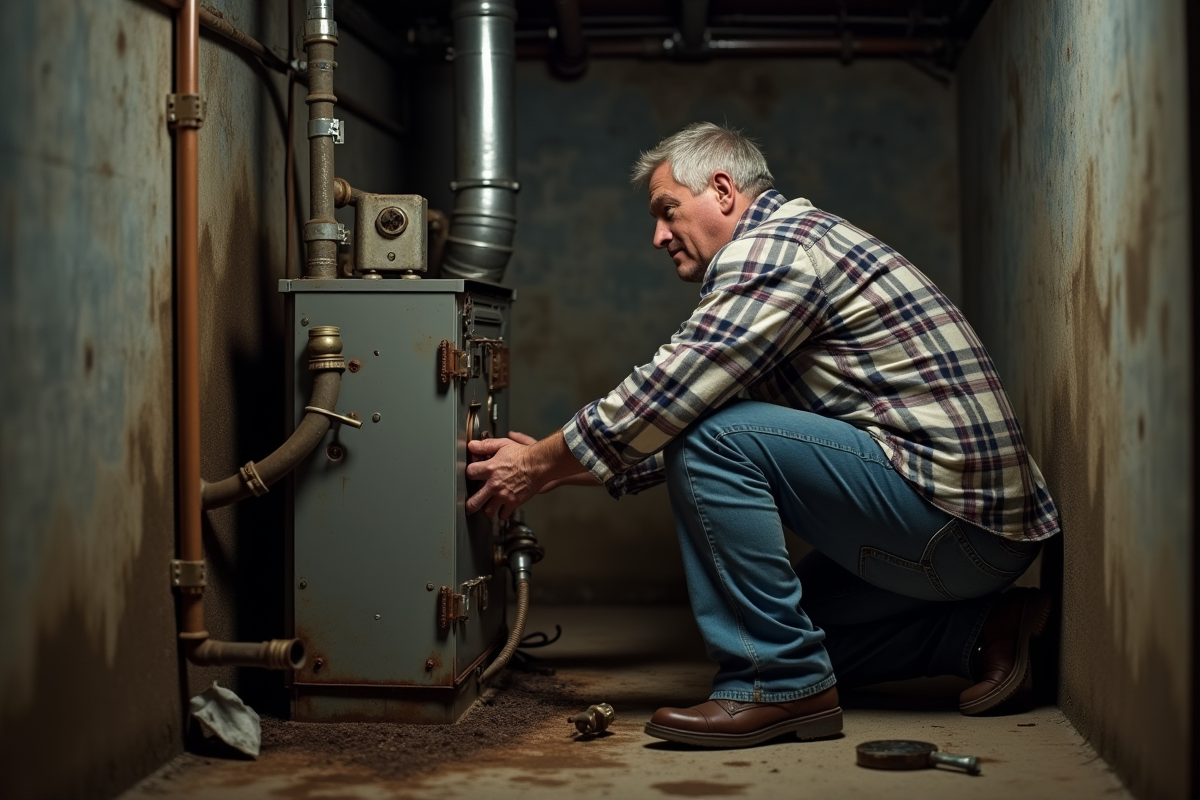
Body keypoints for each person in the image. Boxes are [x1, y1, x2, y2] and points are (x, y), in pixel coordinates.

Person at [465, 122, 1061, 748]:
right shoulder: (793, 249)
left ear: (722, 190)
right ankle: (987, 629)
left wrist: (539, 464)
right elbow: (676, 426)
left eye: (667, 212)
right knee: (793, 626)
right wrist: (548, 467)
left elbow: (668, 399)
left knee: (719, 455)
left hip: (955, 526)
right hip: (973, 536)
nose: (658, 236)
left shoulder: (774, 249)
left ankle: (779, 685)